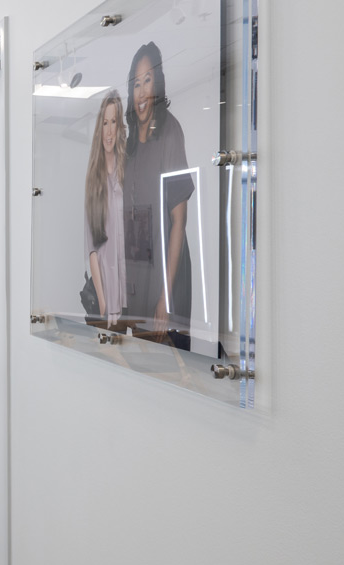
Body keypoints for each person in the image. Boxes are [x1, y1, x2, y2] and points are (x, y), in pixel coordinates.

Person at [121, 41, 193, 348]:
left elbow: (179, 221)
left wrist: (165, 297)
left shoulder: (170, 131)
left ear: (158, 84)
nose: (141, 91)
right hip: (138, 278)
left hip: (166, 279)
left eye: (147, 80)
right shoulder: (129, 146)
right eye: (136, 83)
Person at [83, 90, 128, 326]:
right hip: (106, 295)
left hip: (130, 291)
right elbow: (92, 249)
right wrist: (103, 303)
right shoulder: (93, 181)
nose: (109, 131)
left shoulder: (127, 171)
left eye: (114, 122)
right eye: (105, 123)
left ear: (120, 127)